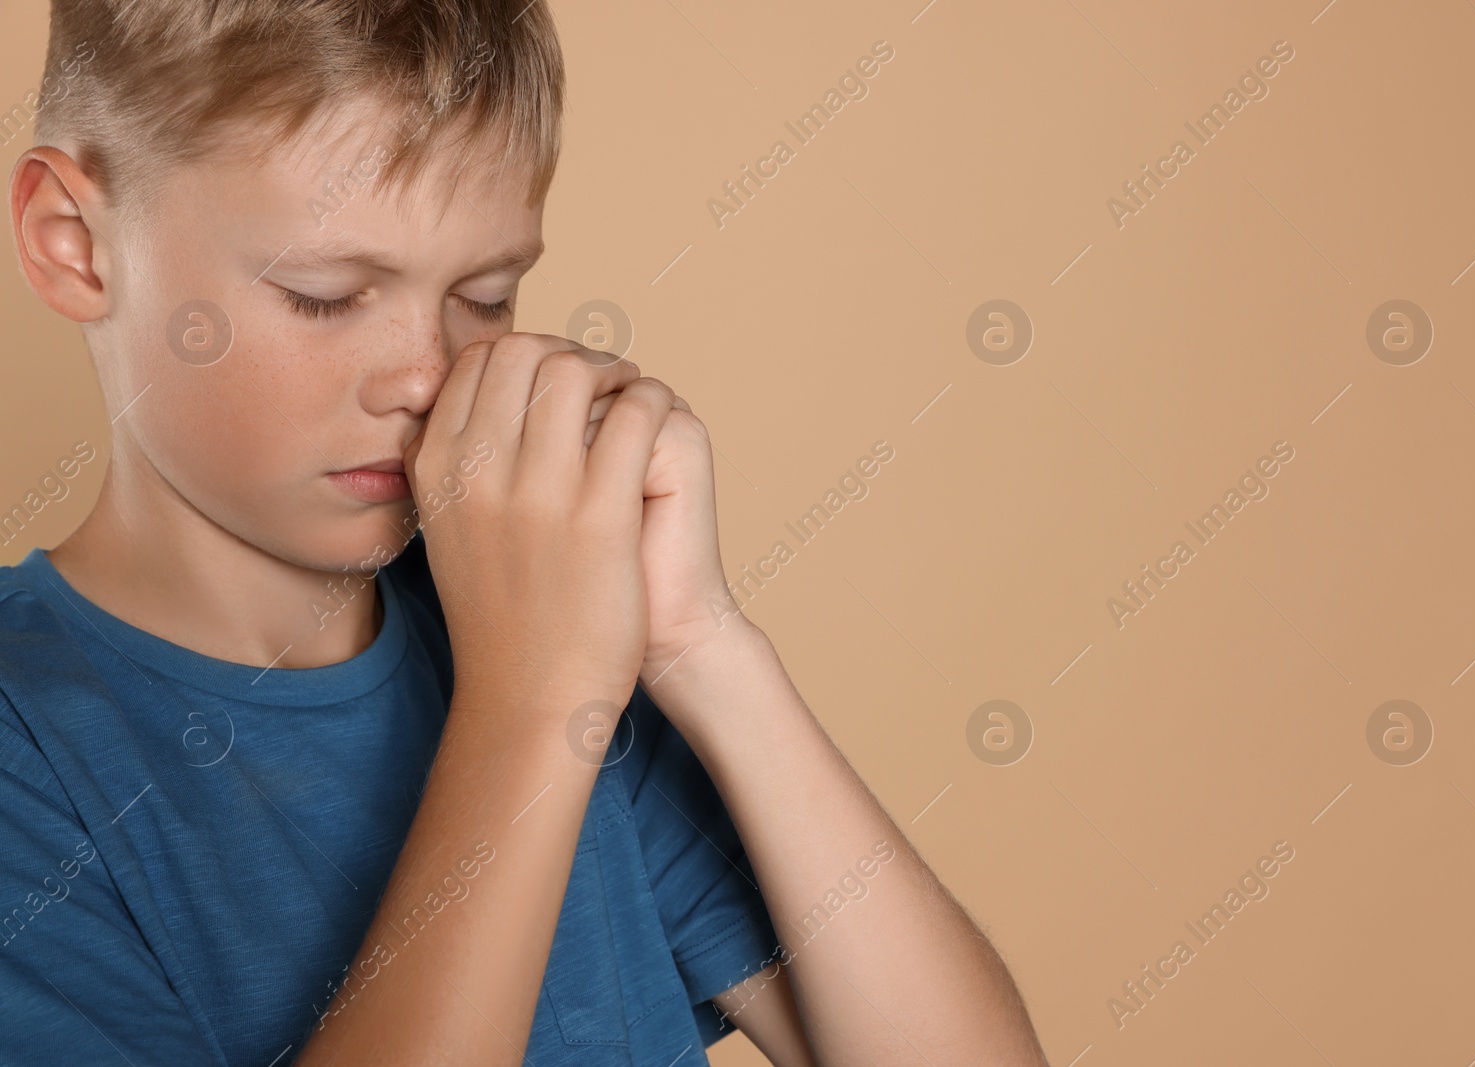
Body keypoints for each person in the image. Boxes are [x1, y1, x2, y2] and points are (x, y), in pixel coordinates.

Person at [0, 1, 1050, 1063]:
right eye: (326, 295)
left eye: (485, 296)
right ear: (74, 243)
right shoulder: (28, 750)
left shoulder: (541, 630)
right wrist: (533, 702)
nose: (422, 373)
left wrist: (699, 642)